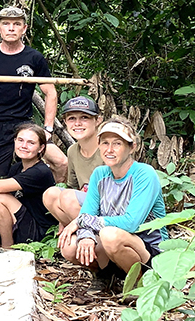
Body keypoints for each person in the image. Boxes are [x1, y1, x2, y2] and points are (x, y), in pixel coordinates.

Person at [0, 6, 67, 182]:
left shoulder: (34, 57)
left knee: (61, 162)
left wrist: (47, 128)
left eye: (17, 24)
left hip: (23, 124)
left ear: (24, 29)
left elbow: (50, 93)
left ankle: (49, 204)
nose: (11, 28)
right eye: (6, 24)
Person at [58, 117, 167, 274]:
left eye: (117, 143)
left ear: (132, 147)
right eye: (105, 143)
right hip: (114, 243)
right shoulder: (99, 174)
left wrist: (84, 221)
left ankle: (138, 285)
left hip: (150, 250)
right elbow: (87, 213)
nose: (109, 149)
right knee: (69, 247)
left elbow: (131, 223)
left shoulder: (144, 173)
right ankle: (105, 276)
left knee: (109, 235)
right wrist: (86, 235)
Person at [0, 123, 57, 251]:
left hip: (38, 231)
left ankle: (7, 249)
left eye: (31, 143)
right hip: (19, 224)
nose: (24, 146)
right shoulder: (17, 168)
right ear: (15, 141)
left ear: (41, 148)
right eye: (20, 140)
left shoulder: (40, 171)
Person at [43, 96, 103, 229]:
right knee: (51, 194)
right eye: (71, 118)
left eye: (84, 118)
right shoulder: (72, 151)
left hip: (109, 207)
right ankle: (79, 233)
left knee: (68, 197)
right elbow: (72, 187)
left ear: (98, 120)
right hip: (85, 205)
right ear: (64, 122)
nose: (77, 124)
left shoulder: (107, 149)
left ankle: (91, 234)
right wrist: (62, 220)